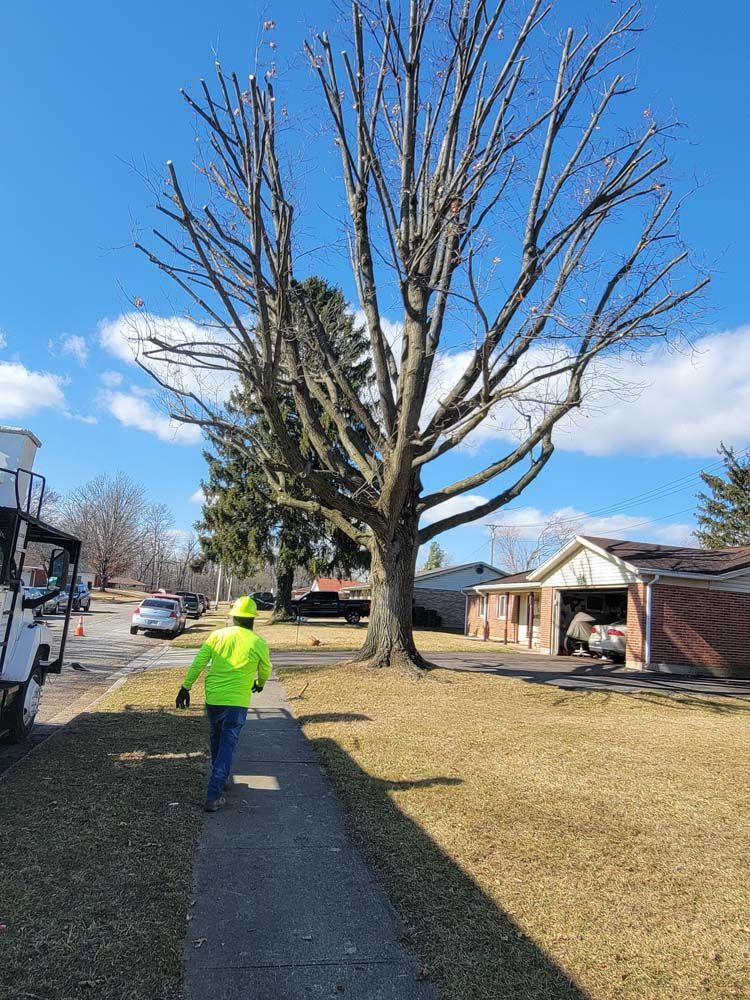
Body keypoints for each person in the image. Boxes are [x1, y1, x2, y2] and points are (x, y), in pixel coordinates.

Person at [175, 595, 271, 812]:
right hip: (237, 701)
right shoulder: (258, 642)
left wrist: (186, 687)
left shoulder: (217, 636)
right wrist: (260, 683)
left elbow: (199, 661)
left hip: (214, 699)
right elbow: (265, 669)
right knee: (228, 744)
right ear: (252, 619)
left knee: (216, 737)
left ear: (234, 618)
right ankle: (214, 793)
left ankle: (221, 776)